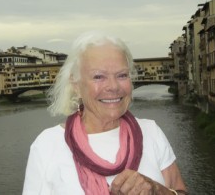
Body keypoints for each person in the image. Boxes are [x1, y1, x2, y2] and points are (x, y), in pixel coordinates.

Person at [22, 31, 188, 195]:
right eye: (99, 77)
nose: (113, 86)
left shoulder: (151, 132)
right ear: (76, 85)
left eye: (122, 75)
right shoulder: (47, 145)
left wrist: (158, 191)